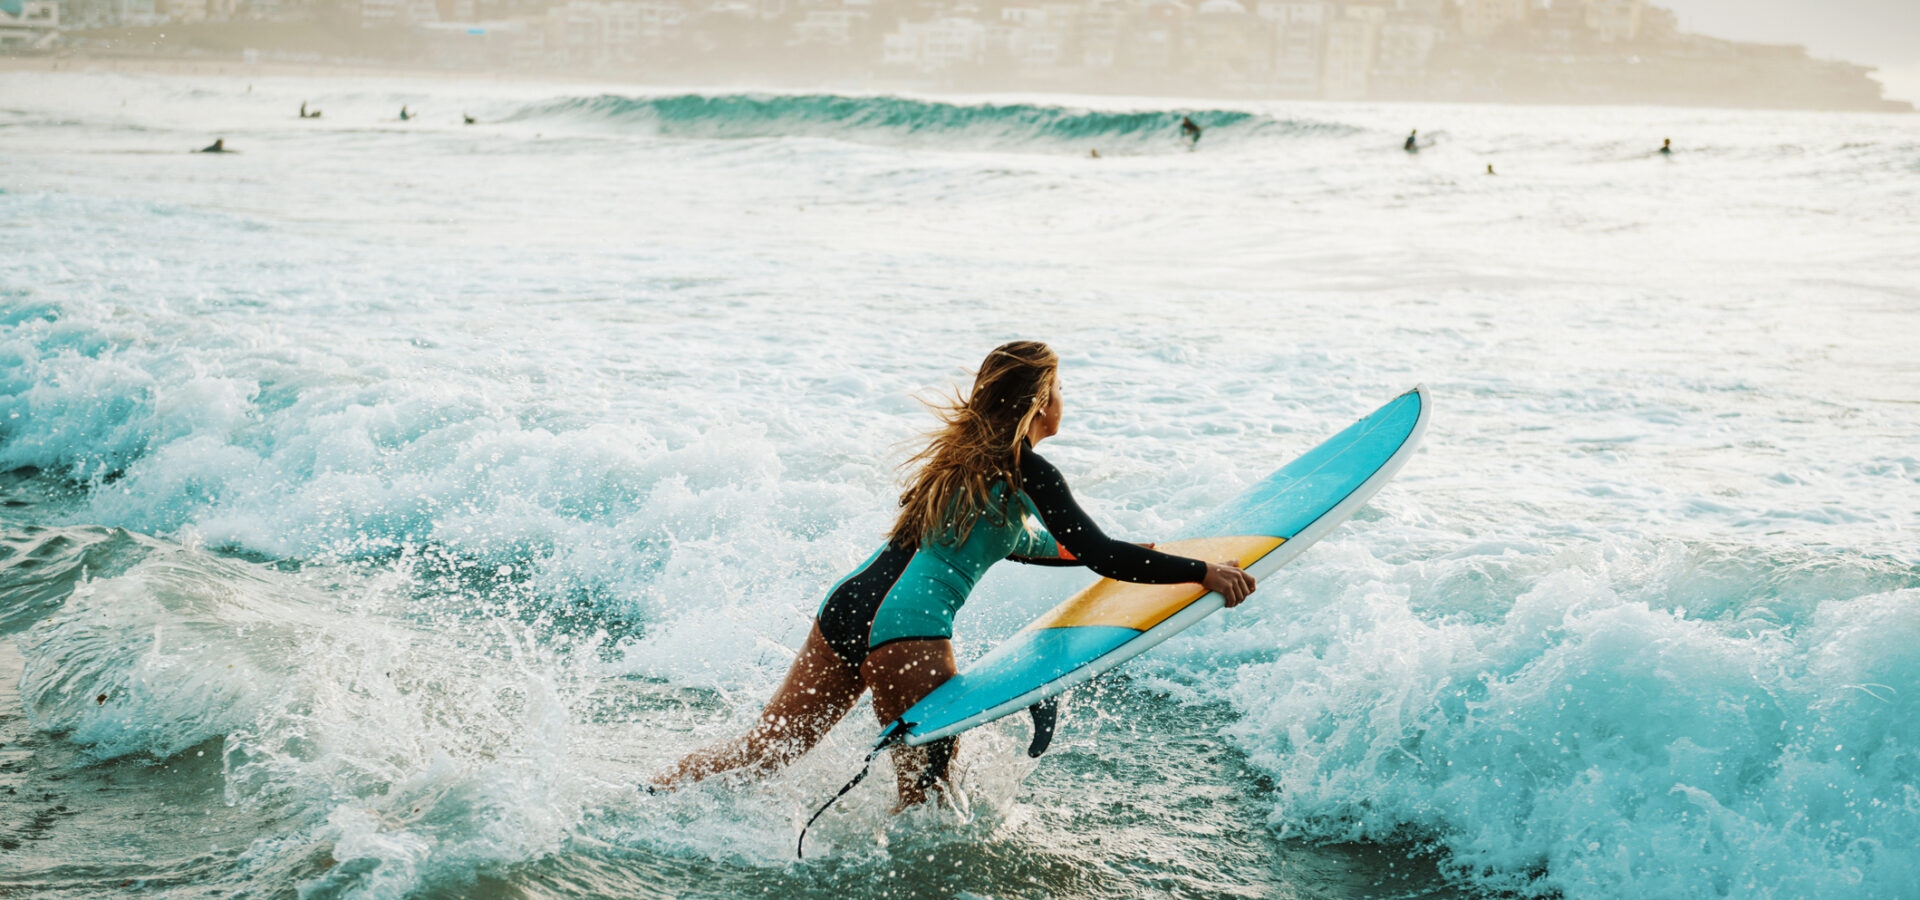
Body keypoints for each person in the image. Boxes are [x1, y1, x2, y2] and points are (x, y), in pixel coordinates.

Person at [650, 341, 1256, 807]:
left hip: (848, 605)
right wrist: (1202, 572)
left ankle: (652, 798)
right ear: (1042, 400)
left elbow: (1027, 545)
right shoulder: (1028, 470)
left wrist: (1147, 551)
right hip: (906, 626)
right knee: (926, 801)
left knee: (766, 749)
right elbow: (1098, 554)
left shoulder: (958, 460)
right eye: (1062, 388)